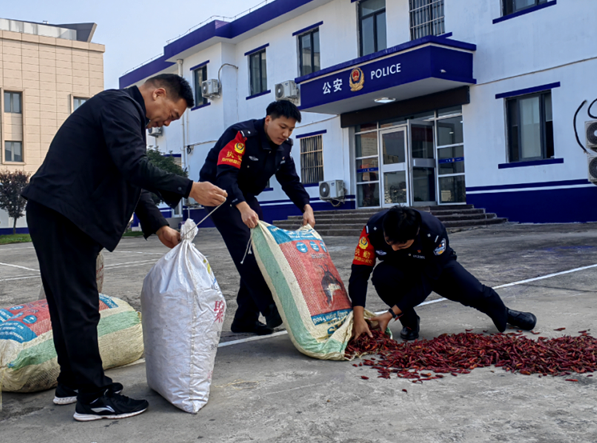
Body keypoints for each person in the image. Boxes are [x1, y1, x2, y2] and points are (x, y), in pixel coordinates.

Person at [22, 74, 227, 422]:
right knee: (79, 306)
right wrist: (190, 187)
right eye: (172, 115)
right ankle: (93, 397)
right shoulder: (120, 106)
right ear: (158, 93)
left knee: (66, 304)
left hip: (59, 213)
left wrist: (158, 224)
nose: (167, 122)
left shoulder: (124, 113)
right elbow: (135, 167)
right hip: (63, 214)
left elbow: (129, 176)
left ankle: (72, 382)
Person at [200, 100, 315, 336]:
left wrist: (306, 206)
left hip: (247, 195)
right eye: (282, 126)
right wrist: (241, 207)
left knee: (263, 250)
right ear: (268, 120)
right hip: (217, 194)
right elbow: (225, 175)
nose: (285, 133)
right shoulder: (240, 135)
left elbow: (290, 180)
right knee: (246, 249)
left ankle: (245, 319)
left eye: (291, 129)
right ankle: (271, 307)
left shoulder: (284, 148)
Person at [348, 206, 536, 341]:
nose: (395, 248)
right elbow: (359, 273)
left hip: (434, 266)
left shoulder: (434, 232)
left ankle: (505, 313)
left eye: (402, 244)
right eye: (390, 243)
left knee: (474, 292)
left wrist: (389, 314)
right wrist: (358, 318)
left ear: (417, 233)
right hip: (399, 268)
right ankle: (410, 322)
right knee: (382, 277)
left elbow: (426, 283)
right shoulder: (372, 230)